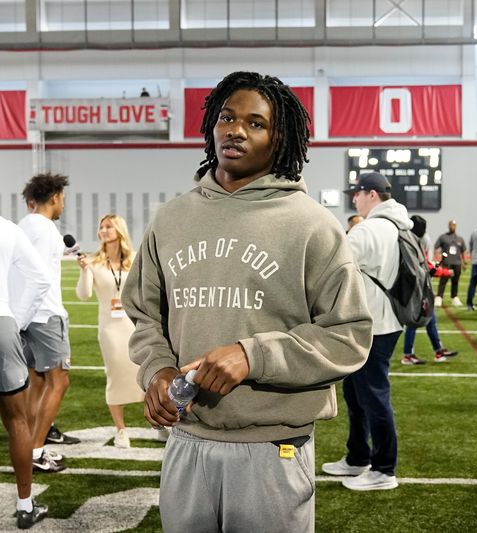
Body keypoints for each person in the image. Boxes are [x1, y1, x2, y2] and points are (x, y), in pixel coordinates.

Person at [122, 71, 372, 533]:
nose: (235, 130)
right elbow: (143, 315)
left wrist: (252, 355)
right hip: (185, 439)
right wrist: (156, 370)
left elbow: (348, 334)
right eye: (226, 117)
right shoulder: (170, 218)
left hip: (273, 447)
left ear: (280, 140)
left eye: (255, 123)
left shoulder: (312, 225)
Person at [322, 171, 411, 491]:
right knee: (358, 393)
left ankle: (384, 469)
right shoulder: (400, 226)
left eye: (357, 194)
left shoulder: (369, 230)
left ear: (372, 194)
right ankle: (358, 456)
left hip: (373, 323)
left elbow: (331, 267)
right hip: (385, 321)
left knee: (372, 396)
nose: (354, 200)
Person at [12, 173, 74, 473]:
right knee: (59, 380)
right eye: (62, 198)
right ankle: (36, 450)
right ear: (54, 197)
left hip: (27, 316)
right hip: (44, 314)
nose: (63, 204)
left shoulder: (25, 225)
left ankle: (32, 448)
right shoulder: (47, 229)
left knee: (37, 382)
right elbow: (38, 277)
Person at [76, 214, 148, 448]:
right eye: (101, 227)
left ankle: (159, 424)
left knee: (145, 375)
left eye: (108, 226)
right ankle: (121, 430)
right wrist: (85, 271)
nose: (103, 230)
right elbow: (83, 294)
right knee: (115, 376)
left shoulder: (135, 259)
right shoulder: (95, 263)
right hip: (110, 330)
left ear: (119, 230)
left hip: (134, 327)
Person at [1, 216, 51, 528]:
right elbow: (41, 279)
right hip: (1, 322)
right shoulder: (8, 228)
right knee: (17, 420)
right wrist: (16, 321)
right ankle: (24, 506)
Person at [401, 215, 459, 365]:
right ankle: (408, 355)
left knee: (431, 319)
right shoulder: (409, 243)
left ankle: (438, 351)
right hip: (415, 290)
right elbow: (422, 267)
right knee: (414, 322)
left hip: (420, 288)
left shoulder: (412, 240)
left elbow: (425, 265)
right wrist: (444, 272)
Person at [433, 220, 467, 307]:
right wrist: (438, 260)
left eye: (454, 225)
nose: (453, 227)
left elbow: (463, 251)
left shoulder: (460, 239)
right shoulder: (443, 237)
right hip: (446, 262)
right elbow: (436, 248)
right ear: (449, 226)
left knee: (455, 281)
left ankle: (454, 297)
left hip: (457, 263)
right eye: (451, 225)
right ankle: (439, 297)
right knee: (443, 281)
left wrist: (465, 262)